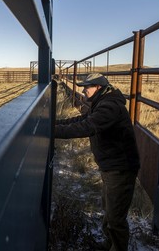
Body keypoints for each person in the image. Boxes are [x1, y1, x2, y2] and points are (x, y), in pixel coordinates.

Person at [54, 73, 140, 251]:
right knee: (109, 210)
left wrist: (52, 131)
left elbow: (86, 127)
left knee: (115, 217)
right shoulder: (101, 103)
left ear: (98, 88)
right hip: (110, 167)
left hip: (120, 168)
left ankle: (117, 247)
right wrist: (54, 124)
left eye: (87, 87)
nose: (84, 90)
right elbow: (81, 119)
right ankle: (108, 244)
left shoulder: (109, 107)